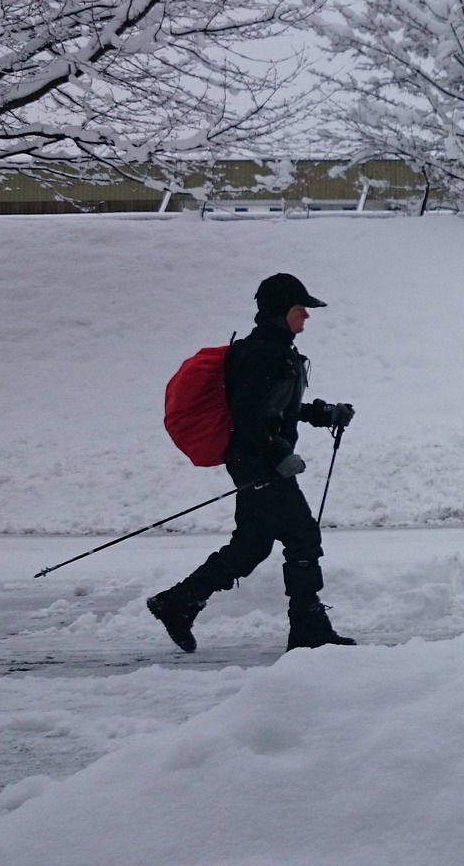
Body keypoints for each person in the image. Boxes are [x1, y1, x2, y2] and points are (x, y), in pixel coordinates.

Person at [148, 272, 358, 652]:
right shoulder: (263, 352)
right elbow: (247, 415)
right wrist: (279, 454)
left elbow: (276, 408)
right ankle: (308, 630)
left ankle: (178, 602)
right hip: (258, 461)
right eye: (301, 309)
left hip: (255, 459)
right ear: (282, 311)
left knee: (252, 544)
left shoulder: (275, 348)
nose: (307, 316)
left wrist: (323, 413)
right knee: (302, 536)